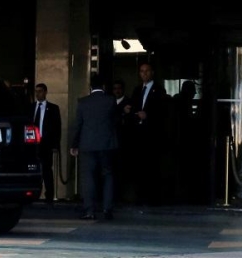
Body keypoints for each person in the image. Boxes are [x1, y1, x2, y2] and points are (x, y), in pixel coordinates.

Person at [70, 73, 119, 220]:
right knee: (108, 176)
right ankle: (107, 209)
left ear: (90, 87)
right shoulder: (111, 101)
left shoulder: (82, 102)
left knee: (88, 177)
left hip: (87, 144)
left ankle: (89, 210)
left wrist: (74, 144)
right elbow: (115, 122)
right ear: (104, 86)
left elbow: (78, 125)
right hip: (107, 144)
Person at [126, 62, 168, 205]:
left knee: (153, 167)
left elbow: (163, 112)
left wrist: (148, 115)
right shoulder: (137, 90)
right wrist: (130, 111)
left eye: (147, 71)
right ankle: (140, 196)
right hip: (138, 135)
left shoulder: (159, 90)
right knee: (139, 167)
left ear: (152, 73)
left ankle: (154, 198)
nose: (144, 74)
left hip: (152, 135)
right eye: (142, 71)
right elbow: (133, 108)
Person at [33, 82, 61, 204]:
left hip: (46, 143)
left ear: (45, 92)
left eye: (40, 91)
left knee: (47, 170)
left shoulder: (53, 108)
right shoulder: (30, 107)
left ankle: (49, 196)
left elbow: (57, 128)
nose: (37, 94)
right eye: (36, 91)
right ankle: (34, 194)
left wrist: (55, 145)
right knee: (34, 169)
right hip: (33, 143)